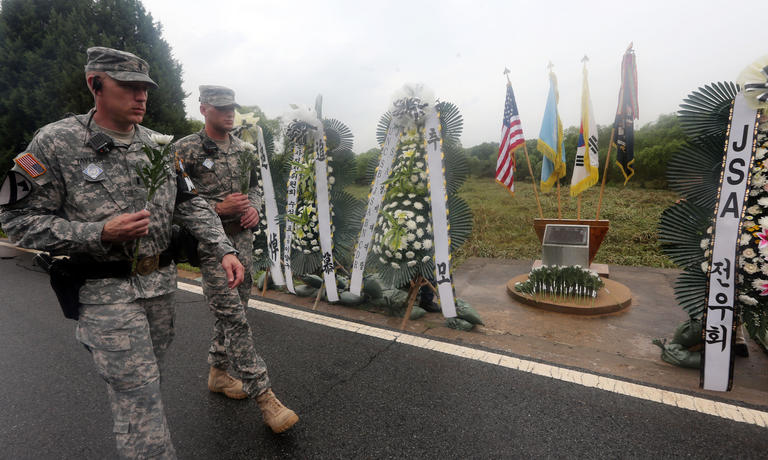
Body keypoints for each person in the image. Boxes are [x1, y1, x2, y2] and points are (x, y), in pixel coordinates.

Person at [0, 47, 244, 459]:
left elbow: (191, 203)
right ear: (94, 84)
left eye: (144, 89)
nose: (141, 97)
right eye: (129, 87)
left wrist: (223, 248)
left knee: (148, 387)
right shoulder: (56, 141)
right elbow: (16, 219)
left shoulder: (158, 145)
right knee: (140, 397)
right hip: (103, 293)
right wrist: (98, 232)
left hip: (160, 288)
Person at [172, 85, 299, 433]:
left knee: (236, 312)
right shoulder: (185, 149)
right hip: (210, 248)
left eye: (232, 108)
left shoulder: (244, 149)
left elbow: (256, 186)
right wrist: (217, 207)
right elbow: (174, 201)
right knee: (236, 319)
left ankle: (218, 372)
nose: (229, 113)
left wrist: (255, 209)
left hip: (242, 242)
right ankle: (266, 397)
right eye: (221, 107)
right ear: (203, 109)